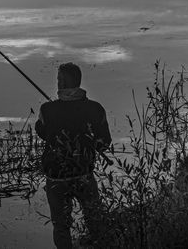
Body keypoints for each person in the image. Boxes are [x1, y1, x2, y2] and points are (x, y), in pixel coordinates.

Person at [35, 62, 111, 249]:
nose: (57, 82)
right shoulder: (95, 108)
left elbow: (42, 133)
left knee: (61, 226)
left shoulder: (47, 109)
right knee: (95, 221)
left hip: (56, 177)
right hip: (84, 173)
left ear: (62, 82)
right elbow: (104, 142)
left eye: (58, 79)